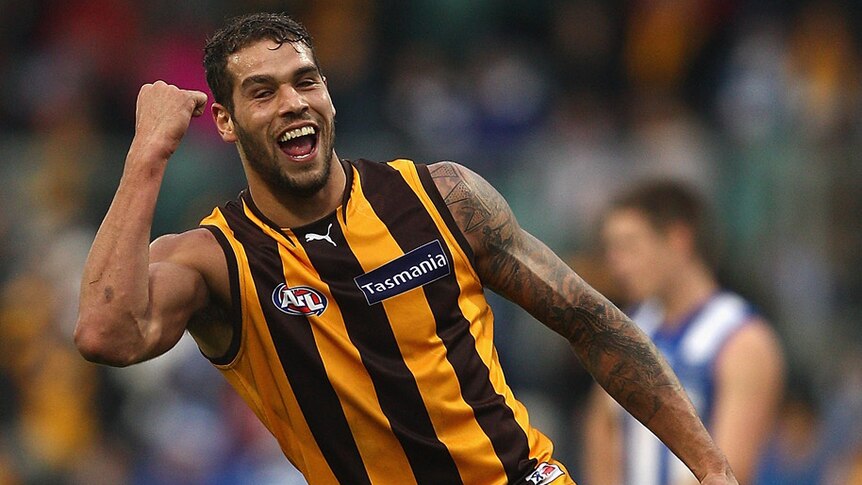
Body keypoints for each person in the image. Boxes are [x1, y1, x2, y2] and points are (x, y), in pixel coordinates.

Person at [74, 12, 739, 485]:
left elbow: (592, 321)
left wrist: (710, 466)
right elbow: (106, 332)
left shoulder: (439, 196)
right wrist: (146, 155)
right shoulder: (215, 257)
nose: (293, 103)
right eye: (262, 91)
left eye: (307, 80)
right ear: (223, 120)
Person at [583, 180, 785, 485]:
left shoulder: (741, 339)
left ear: (678, 240)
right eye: (611, 249)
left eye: (629, 246)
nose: (617, 265)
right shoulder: (626, 328)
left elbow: (731, 469)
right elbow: (602, 427)